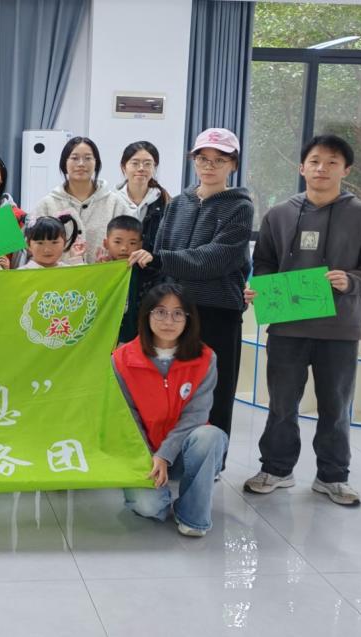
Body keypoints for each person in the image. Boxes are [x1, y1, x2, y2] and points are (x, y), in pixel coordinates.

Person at [242, 134, 361, 507]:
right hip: (287, 327)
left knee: (335, 407)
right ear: (301, 167)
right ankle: (276, 469)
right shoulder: (279, 214)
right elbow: (263, 261)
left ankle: (332, 477)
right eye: (314, 161)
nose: (321, 168)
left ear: (346, 170)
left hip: (340, 328)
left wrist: (352, 280)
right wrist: (263, 288)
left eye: (331, 162)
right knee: (281, 404)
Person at [129, 128, 253, 442]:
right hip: (175, 312)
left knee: (215, 392)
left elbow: (217, 258)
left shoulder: (240, 207)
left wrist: (161, 260)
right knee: (171, 389)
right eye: (203, 159)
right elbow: (161, 251)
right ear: (194, 161)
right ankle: (169, 456)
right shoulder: (178, 204)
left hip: (217, 312)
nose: (209, 166)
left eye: (219, 160)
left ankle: (211, 458)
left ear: (233, 164)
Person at [112, 283, 227, 537]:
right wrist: (150, 457)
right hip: (143, 451)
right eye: (160, 312)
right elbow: (126, 417)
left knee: (210, 436)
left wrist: (165, 454)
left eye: (177, 314)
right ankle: (159, 494)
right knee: (149, 507)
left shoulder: (205, 358)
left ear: (189, 319)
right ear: (147, 315)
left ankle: (193, 517)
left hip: (184, 451)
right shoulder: (122, 359)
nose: (168, 321)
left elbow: (196, 416)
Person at [32, 136, 130, 264]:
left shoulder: (115, 203)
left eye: (88, 158)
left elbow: (130, 243)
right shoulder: (47, 204)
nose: (81, 164)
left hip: (103, 274)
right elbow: (32, 248)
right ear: (64, 163)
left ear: (96, 163)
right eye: (74, 158)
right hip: (59, 276)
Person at [99, 215, 147, 343]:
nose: (124, 248)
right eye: (117, 242)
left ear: (140, 245)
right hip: (103, 336)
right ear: (106, 243)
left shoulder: (144, 271)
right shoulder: (100, 270)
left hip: (133, 337)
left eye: (132, 243)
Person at [115, 141, 170, 250]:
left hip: (152, 260)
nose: (141, 168)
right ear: (124, 167)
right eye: (135, 163)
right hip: (119, 260)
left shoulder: (166, 202)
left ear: (154, 167)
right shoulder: (112, 200)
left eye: (147, 164)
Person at [4, 215, 81, 270]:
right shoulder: (22, 273)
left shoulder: (68, 271)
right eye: (40, 243)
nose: (47, 250)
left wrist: (77, 259)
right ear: (28, 244)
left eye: (54, 242)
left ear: (64, 242)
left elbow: (83, 282)